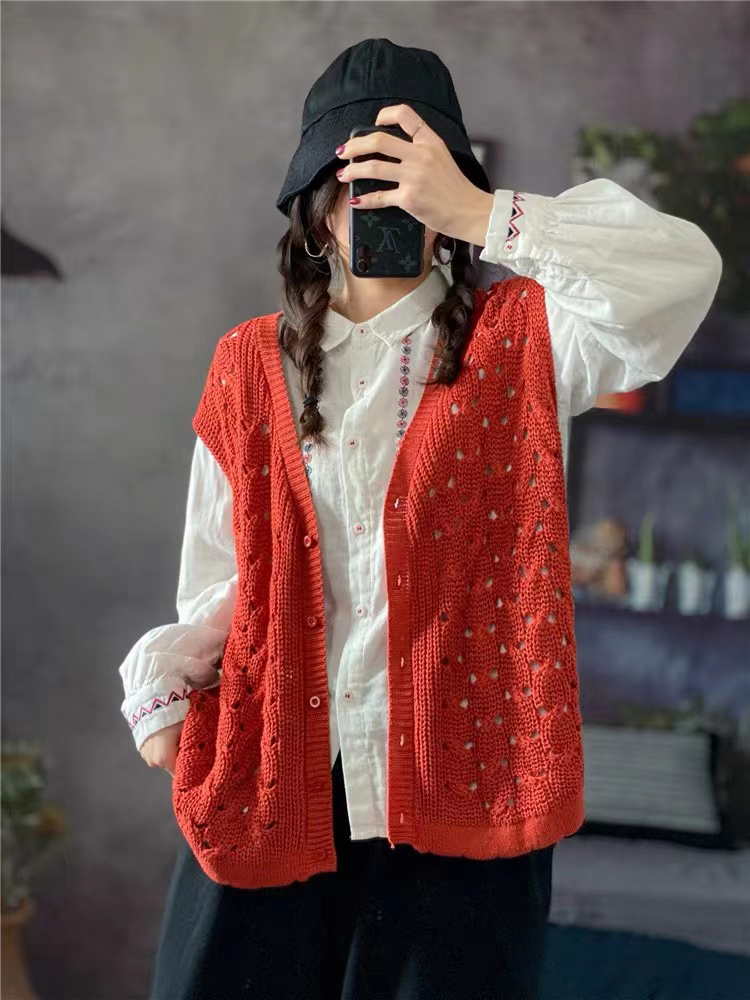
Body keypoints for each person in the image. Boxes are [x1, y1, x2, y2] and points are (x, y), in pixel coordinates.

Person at [118, 38, 722, 1000]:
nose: (384, 204)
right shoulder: (247, 365)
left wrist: (482, 214)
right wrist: (166, 703)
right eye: (360, 179)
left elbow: (681, 272)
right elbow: (223, 583)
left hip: (467, 811)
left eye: (409, 178)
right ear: (317, 205)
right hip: (271, 793)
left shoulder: (529, 338)